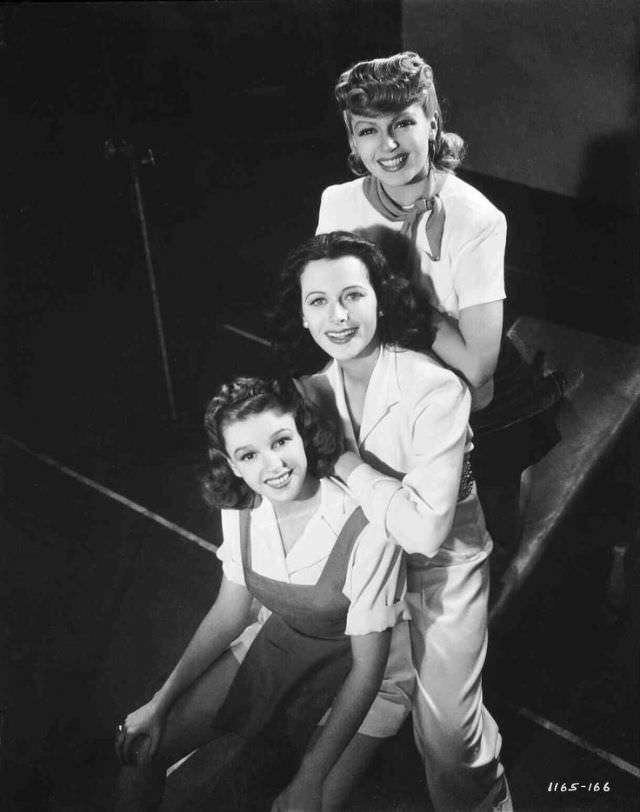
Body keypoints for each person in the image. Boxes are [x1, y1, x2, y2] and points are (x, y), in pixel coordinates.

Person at [270, 231, 512, 812]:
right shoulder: (308, 393)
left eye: (353, 295)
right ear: (302, 317)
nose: (338, 316)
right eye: (319, 301)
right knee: (339, 690)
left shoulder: (434, 388)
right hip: (370, 572)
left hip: (443, 572)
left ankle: (490, 799)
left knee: (448, 739)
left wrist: (345, 461)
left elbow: (427, 530)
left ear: (381, 297)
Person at [114, 375, 413, 812]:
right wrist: (160, 703)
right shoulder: (239, 508)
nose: (272, 465)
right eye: (249, 455)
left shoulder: (367, 527)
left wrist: (311, 778)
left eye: (280, 441)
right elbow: (229, 612)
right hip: (285, 639)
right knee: (140, 750)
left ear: (303, 435)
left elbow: (368, 670)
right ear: (233, 466)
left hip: (372, 672)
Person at [316, 50, 564, 570]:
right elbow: (330, 313)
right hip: (389, 385)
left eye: (403, 123)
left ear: (431, 122)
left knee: (493, 535)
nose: (387, 146)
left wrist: (395, 295)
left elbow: (478, 366)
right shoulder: (337, 202)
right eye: (368, 130)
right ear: (351, 139)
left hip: (476, 399)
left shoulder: (477, 218)